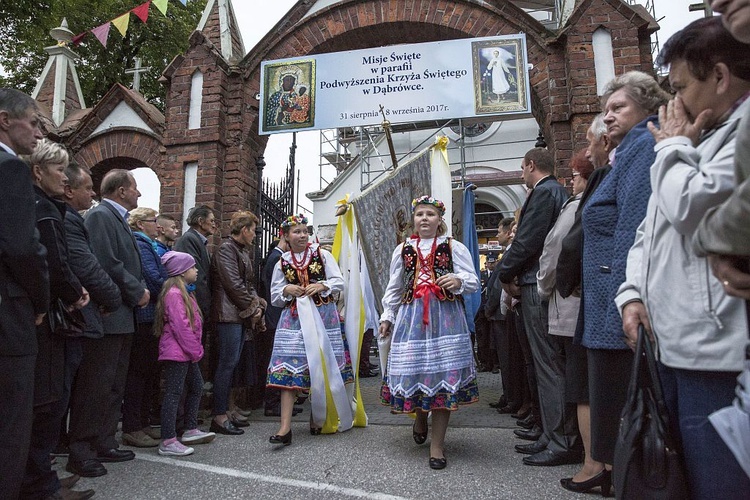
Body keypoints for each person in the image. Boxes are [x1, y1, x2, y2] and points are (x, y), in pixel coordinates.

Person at [616, 18, 750, 498]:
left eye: (680, 88)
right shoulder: (693, 141)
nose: (673, 105)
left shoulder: (737, 135)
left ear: (719, 77)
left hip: (713, 353)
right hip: (671, 345)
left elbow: (697, 209)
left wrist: (672, 148)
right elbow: (646, 234)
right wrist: (632, 293)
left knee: (721, 484)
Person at [580, 71, 670, 475]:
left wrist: (626, 296)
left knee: (623, 410)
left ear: (648, 108)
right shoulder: (626, 152)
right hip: (605, 298)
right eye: (606, 110)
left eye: (618, 108)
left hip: (616, 302)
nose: (609, 117)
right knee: (611, 410)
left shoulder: (640, 150)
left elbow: (634, 226)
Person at [379, 197, 479, 470]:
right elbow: (395, 287)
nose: (424, 218)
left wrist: (458, 280)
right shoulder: (403, 249)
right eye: (420, 214)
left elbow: (473, 280)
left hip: (445, 317)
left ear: (439, 220)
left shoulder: (453, 246)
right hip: (412, 317)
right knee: (418, 371)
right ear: (413, 219)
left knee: (442, 374)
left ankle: (437, 446)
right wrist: (388, 316)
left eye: (430, 214)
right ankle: (420, 416)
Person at [495, 148, 579, 467]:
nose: (520, 174)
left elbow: (528, 240)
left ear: (531, 166)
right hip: (536, 281)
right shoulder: (555, 192)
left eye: (521, 167)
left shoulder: (545, 192)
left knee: (547, 363)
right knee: (545, 361)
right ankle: (549, 432)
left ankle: (560, 439)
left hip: (534, 283)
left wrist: (505, 272)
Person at [22, 138, 93, 500]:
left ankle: (40, 474)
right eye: (59, 170)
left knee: (47, 402)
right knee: (48, 403)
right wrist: (75, 293)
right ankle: (39, 483)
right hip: (49, 320)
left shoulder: (46, 206)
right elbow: (50, 263)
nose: (66, 179)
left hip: (47, 315)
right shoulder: (46, 211)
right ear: (38, 172)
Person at [68, 169, 150, 478]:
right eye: (134, 188)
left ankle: (103, 441)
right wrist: (136, 290)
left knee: (113, 386)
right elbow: (105, 262)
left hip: (122, 316)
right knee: (96, 387)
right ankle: (81, 450)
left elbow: (126, 262)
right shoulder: (101, 216)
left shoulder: (116, 218)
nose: (138, 194)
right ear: (120, 191)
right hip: (108, 313)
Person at [537, 151, 607, 494]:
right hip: (584, 298)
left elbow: (559, 247)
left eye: (577, 175)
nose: (571, 182)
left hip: (574, 300)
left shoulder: (579, 202)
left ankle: (576, 449)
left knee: (574, 379)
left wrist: (547, 285)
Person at [267, 214, 353, 445]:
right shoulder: (281, 263)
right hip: (293, 319)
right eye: (296, 231)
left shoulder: (322, 255)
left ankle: (318, 418)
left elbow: (339, 281)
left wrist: (322, 285)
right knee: (289, 369)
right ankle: (285, 428)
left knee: (321, 363)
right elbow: (274, 295)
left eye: (305, 231)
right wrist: (287, 289)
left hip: (323, 316)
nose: (302, 235)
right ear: (286, 236)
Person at [0, 88, 48, 500]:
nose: (37, 132)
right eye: (32, 122)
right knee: (10, 424)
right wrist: (40, 299)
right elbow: (22, 247)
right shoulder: (10, 168)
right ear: (5, 120)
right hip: (9, 311)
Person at [60, 161, 121, 479]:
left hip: (86, 312)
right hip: (81, 315)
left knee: (89, 387)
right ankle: (78, 451)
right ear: (68, 190)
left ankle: (81, 446)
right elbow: (89, 266)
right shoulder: (75, 220)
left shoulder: (74, 217)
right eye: (87, 187)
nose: (92, 193)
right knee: (87, 387)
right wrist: (111, 298)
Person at [209, 210, 266, 435]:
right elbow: (232, 284)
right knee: (226, 365)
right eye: (253, 230)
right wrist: (252, 309)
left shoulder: (241, 251)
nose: (254, 235)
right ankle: (219, 415)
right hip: (227, 316)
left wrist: (257, 302)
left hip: (237, 315)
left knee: (232, 365)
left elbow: (248, 284)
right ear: (244, 230)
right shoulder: (226, 249)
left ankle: (228, 409)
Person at [155, 251, 216, 457]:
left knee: (197, 386)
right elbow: (181, 327)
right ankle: (168, 439)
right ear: (181, 272)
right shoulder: (174, 294)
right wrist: (196, 350)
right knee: (173, 394)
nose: (196, 270)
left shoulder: (186, 293)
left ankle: (190, 429)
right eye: (192, 267)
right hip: (178, 353)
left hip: (186, 353)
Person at [121, 207, 168, 448]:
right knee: (139, 374)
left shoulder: (146, 243)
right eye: (154, 221)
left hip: (150, 316)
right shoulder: (141, 244)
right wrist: (173, 292)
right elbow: (152, 276)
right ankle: (132, 426)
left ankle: (142, 422)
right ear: (141, 224)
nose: (157, 225)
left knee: (148, 373)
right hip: (144, 315)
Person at [486, 218, 522, 413]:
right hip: (498, 314)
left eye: (500, 231)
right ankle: (508, 395)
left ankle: (513, 398)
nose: (498, 234)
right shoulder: (505, 255)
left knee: (509, 359)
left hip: (504, 313)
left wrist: (490, 308)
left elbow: (500, 285)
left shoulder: (511, 255)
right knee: (504, 358)